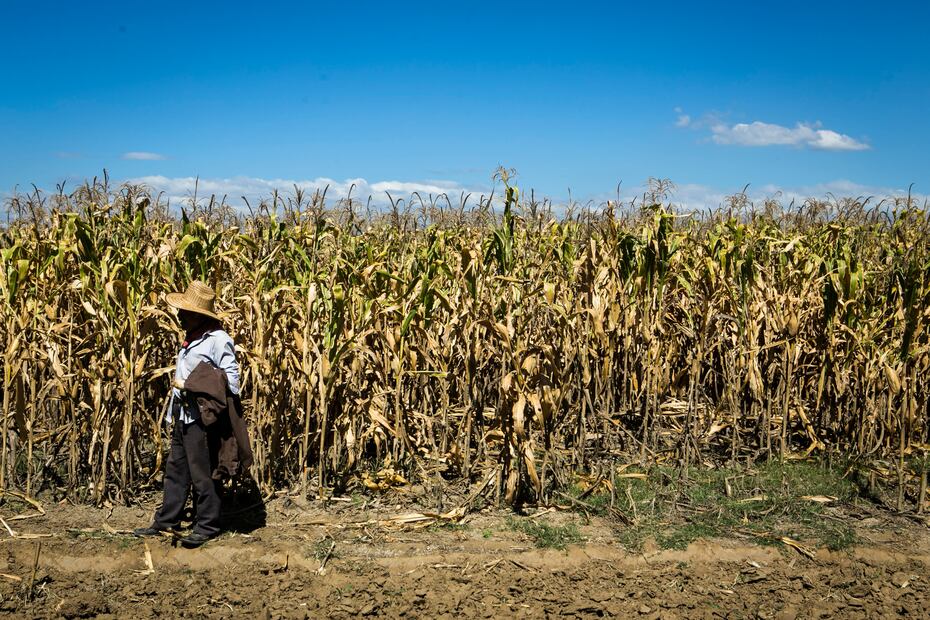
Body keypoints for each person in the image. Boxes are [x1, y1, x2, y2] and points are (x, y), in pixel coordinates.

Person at [133, 280, 241, 548]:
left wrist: (192, 385)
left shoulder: (218, 340)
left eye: (184, 311)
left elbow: (233, 381)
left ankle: (207, 525)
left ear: (198, 315)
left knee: (202, 473)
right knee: (176, 470)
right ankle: (166, 520)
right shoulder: (191, 338)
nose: (179, 315)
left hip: (202, 419)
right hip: (182, 415)